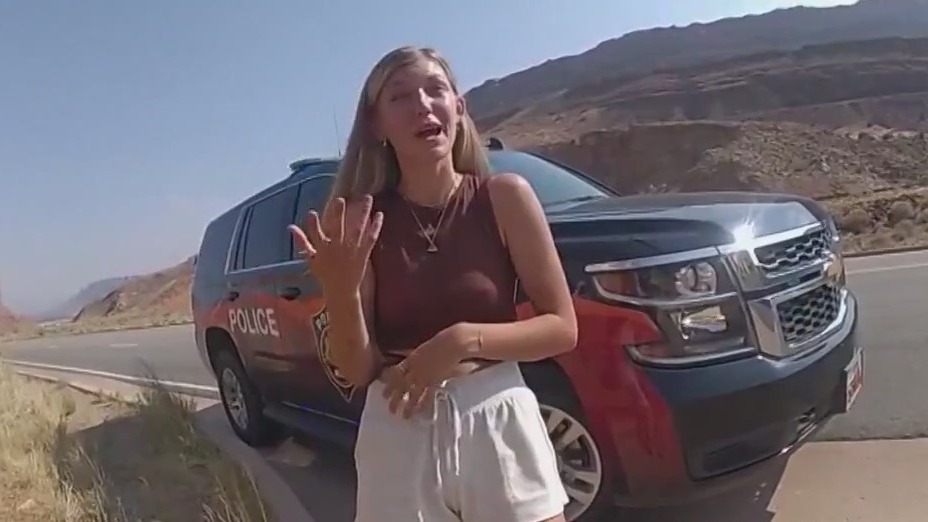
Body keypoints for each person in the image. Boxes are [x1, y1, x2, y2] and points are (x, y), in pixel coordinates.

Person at [289, 45, 579, 522]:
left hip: (498, 415)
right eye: (400, 96)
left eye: (435, 90)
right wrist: (340, 294)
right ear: (377, 125)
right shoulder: (362, 220)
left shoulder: (504, 198)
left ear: (458, 109)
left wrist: (463, 340)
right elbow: (357, 370)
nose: (422, 105)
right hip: (400, 423)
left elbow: (562, 328)